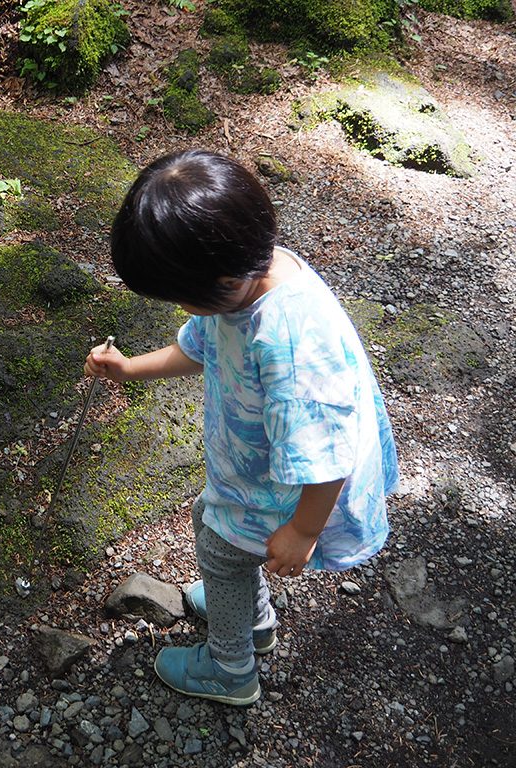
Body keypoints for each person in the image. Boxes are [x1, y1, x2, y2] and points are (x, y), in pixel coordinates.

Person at [85, 149, 398, 707]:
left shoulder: (289, 343)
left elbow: (325, 455)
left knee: (222, 554)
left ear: (226, 277)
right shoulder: (251, 273)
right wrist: (130, 368)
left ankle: (232, 668)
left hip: (287, 493)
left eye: (182, 295)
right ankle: (250, 620)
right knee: (211, 524)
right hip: (251, 476)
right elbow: (200, 345)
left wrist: (302, 532)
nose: (183, 307)